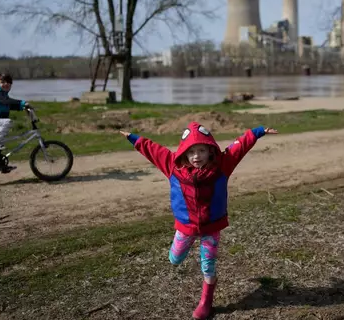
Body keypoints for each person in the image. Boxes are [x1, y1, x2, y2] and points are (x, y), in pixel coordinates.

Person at [119, 122, 278, 320]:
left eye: (202, 150)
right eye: (191, 151)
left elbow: (240, 146)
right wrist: (133, 138)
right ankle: (187, 248)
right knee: (174, 259)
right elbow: (152, 149)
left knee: (208, 266)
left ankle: (206, 303)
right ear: (184, 153)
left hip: (211, 227)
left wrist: (258, 132)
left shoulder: (222, 165)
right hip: (186, 227)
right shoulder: (172, 166)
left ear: (210, 150)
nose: (197, 156)